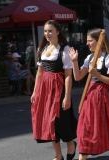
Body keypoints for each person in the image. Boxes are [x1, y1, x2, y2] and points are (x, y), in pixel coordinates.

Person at [69, 28, 109, 160]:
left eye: (90, 40)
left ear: (99, 41)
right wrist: (74, 61)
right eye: (87, 41)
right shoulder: (90, 58)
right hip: (91, 96)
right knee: (86, 126)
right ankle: (83, 155)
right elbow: (78, 77)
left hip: (107, 94)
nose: (87, 43)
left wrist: (96, 74)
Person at [30, 20, 77, 160]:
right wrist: (35, 91)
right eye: (45, 31)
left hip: (59, 88)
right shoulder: (42, 49)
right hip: (44, 89)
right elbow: (39, 72)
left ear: (58, 31)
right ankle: (58, 155)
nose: (47, 34)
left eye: (50, 31)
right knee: (48, 122)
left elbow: (68, 75)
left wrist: (67, 96)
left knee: (60, 120)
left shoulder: (65, 50)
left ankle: (70, 143)